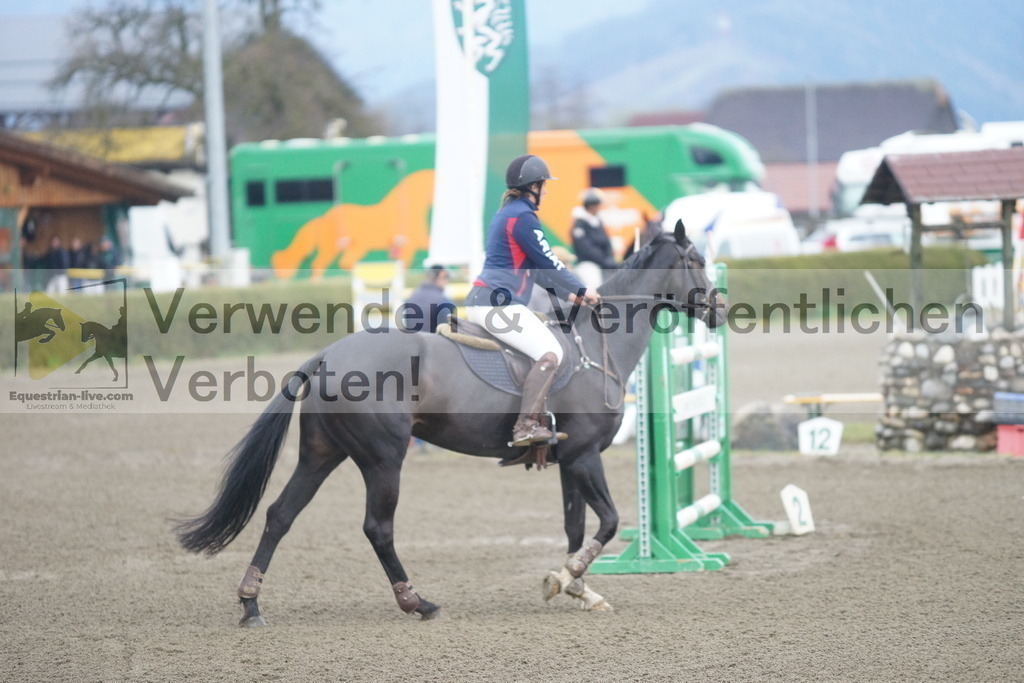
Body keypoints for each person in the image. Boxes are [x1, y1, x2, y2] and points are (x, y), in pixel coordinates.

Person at [466, 154, 599, 446]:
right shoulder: (524, 217)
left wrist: (569, 294)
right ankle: (525, 426)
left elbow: (535, 271)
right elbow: (550, 261)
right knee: (551, 354)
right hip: (497, 304)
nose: (546, 190)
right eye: (543, 184)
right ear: (532, 187)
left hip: (487, 300)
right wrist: (581, 287)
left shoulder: (510, 213)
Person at [570, 188, 616, 289]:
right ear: (591, 206)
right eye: (598, 206)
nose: (600, 208)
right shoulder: (580, 224)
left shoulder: (597, 221)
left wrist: (610, 257)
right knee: (596, 286)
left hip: (603, 263)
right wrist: (604, 260)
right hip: (587, 263)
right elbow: (585, 248)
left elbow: (606, 242)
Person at [402, 265, 455, 333]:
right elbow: (448, 331)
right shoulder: (443, 301)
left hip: (413, 341)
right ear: (441, 277)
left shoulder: (411, 297)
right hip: (433, 342)